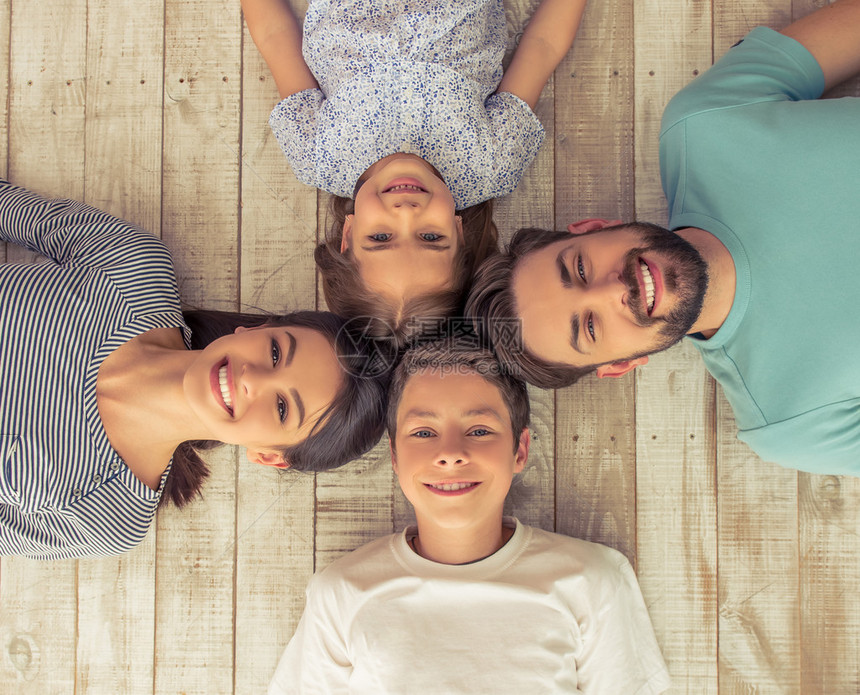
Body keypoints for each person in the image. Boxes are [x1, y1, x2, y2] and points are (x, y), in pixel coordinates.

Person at [466, 0, 860, 475]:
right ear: (619, 366)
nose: (615, 290)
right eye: (590, 327)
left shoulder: (705, 121)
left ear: (593, 227)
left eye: (580, 269)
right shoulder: (793, 423)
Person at [0, 180, 388, 560]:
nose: (252, 379)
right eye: (274, 353)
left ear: (269, 456)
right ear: (258, 328)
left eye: (283, 408)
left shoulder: (108, 514)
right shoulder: (132, 268)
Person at [268, 340, 671, 694]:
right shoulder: (340, 594)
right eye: (424, 433)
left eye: (479, 430)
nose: (450, 453)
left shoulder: (594, 579)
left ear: (520, 450)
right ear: (394, 456)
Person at [242, 0, 588, 343]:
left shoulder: (317, 156)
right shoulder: (491, 162)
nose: (406, 213)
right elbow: (542, 47)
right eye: (431, 237)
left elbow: (275, 36)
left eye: (380, 238)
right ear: (459, 232)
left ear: (347, 236)